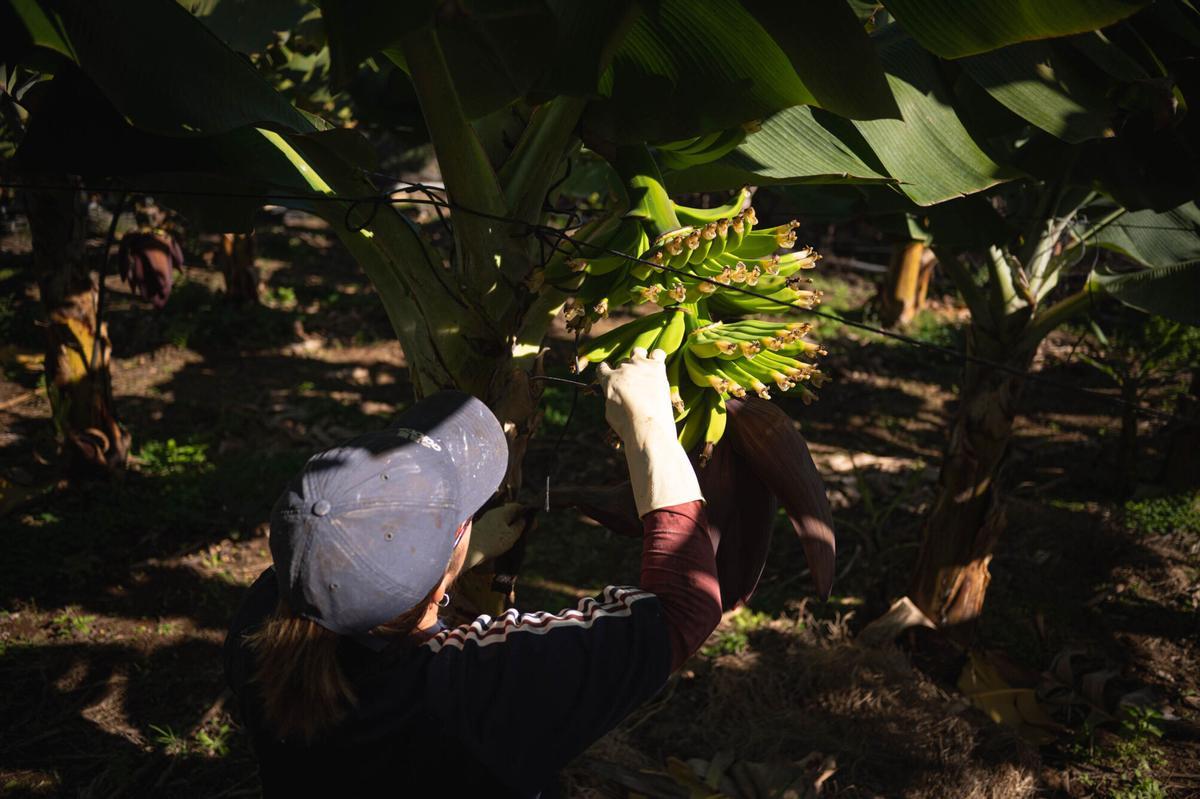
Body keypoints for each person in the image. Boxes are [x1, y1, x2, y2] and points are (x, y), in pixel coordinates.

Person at [223, 349, 723, 796]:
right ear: (442, 563)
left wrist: (464, 552)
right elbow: (685, 608)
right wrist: (650, 428)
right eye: (463, 520)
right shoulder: (477, 691)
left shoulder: (260, 621)